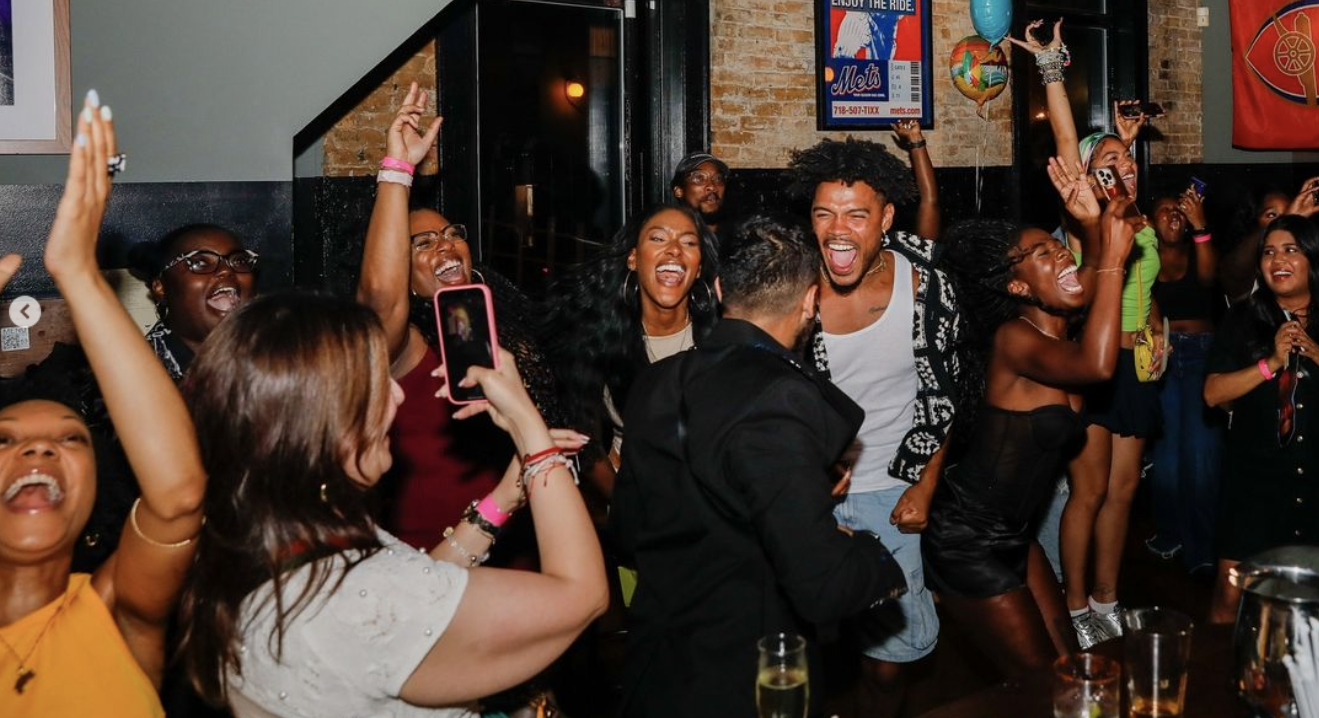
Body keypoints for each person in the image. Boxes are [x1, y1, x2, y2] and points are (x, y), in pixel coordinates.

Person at [176, 291, 608, 717]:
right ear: (322, 422)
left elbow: (416, 603)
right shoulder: (355, 602)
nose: (399, 397)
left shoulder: (252, 540)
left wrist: (500, 501)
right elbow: (582, 595)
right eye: (374, 385)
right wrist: (529, 431)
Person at [610, 214, 907, 718]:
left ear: (722, 288)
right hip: (742, 677)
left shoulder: (656, 380)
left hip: (654, 662)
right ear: (811, 300)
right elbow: (823, 587)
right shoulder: (782, 397)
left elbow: (627, 531)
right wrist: (871, 554)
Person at [0, 91, 206, 716]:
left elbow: (178, 496)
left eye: (72, 440)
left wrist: (78, 273)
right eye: (3, 440)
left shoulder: (117, 613)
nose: (38, 448)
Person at [927, 168, 1139, 676]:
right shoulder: (1015, 340)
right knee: (1038, 684)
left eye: (1058, 247)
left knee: (1069, 665)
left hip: (1015, 534)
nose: (1062, 255)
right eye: (1043, 253)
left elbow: (1088, 284)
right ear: (1019, 285)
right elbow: (1098, 364)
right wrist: (1108, 255)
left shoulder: (1057, 331)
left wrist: (1094, 223)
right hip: (966, 540)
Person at [788, 136, 959, 717]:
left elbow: (944, 395)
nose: (838, 230)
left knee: (889, 664)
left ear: (885, 218)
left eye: (856, 214)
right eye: (824, 213)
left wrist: (927, 484)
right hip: (806, 497)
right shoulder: (788, 291)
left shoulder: (925, 285)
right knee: (803, 655)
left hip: (893, 491)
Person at [357, 83, 565, 553]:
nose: (445, 245)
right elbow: (379, 305)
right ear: (403, 274)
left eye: (451, 234)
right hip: (440, 558)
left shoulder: (500, 315)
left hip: (524, 537)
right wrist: (398, 172)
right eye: (423, 244)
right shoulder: (406, 341)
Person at [1011, 19, 1165, 646]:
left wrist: (1159, 327)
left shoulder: (1143, 219)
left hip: (1139, 368)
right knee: (1090, 490)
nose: (1118, 168)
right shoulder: (1087, 221)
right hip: (1093, 365)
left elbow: (1148, 289)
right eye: (1106, 164)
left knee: (1124, 493)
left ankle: (1109, 597)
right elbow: (1072, 147)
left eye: (1125, 160)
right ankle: (1076, 608)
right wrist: (1053, 70)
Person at [543, 203, 718, 502]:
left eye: (689, 242)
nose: (675, 250)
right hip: (634, 500)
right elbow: (585, 442)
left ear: (699, 266)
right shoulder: (599, 338)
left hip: (711, 504)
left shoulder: (721, 338)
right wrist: (626, 509)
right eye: (659, 239)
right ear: (634, 259)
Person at [1204, 215, 1319, 624]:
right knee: (1229, 595)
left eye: (1291, 249)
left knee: (1308, 604)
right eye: (1269, 252)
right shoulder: (1242, 319)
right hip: (1254, 483)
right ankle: (1219, 684)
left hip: (1315, 483)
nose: (1277, 260)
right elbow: (1212, 392)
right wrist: (1270, 364)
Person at [1147, 188, 1222, 574]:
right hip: (1164, 356)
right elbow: (1145, 302)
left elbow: (1210, 281)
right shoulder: (1144, 256)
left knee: (1202, 452)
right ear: (1150, 222)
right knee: (1167, 454)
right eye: (1163, 210)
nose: (1172, 215)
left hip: (1203, 355)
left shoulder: (1199, 250)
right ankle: (1170, 532)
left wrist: (1201, 226)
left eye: (1177, 210)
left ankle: (1203, 549)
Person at [128, 223, 259, 382]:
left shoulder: (274, 357)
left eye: (239, 261)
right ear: (161, 287)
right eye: (200, 263)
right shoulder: (132, 377)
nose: (226, 270)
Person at [1221, 180, 1319, 304]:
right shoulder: (1249, 270)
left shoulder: (1308, 261)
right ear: (1252, 222)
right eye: (1272, 215)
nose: (1282, 222)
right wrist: (1288, 218)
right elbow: (1234, 270)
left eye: (1288, 212)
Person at [669, 152, 729, 232]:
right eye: (699, 178)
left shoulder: (737, 236)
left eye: (718, 179)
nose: (712, 187)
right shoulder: (673, 237)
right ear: (679, 191)